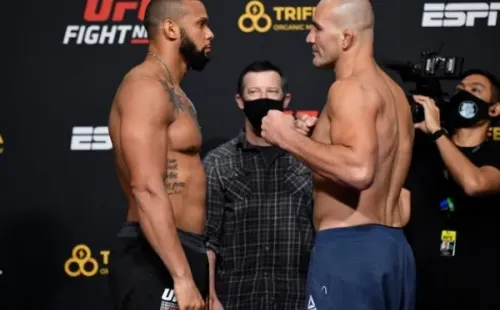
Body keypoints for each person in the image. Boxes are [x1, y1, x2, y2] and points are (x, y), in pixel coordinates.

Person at [260, 0, 416, 309]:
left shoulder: (348, 89)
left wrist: (288, 138)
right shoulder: (394, 92)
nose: (309, 38)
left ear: (346, 38)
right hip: (393, 250)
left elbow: (359, 170)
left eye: (317, 28)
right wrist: (313, 141)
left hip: (350, 251)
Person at [106, 0, 214, 309]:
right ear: (170, 28)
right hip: (154, 257)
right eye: (201, 24)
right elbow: (146, 187)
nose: (210, 34)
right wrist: (181, 277)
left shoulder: (175, 92)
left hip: (181, 250)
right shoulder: (145, 88)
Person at [203, 60, 315, 310]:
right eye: (253, 93)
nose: (262, 99)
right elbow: (209, 240)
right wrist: (210, 297)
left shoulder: (309, 159)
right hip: (236, 299)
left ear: (285, 99)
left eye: (271, 92)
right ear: (240, 100)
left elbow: (324, 233)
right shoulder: (218, 163)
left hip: (297, 299)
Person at [404, 69, 500, 309]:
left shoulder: (495, 155)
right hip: (421, 290)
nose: (464, 94)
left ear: (494, 109)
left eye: (475, 90)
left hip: (478, 292)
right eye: (460, 89)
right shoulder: (423, 151)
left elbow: (474, 184)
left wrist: (438, 132)